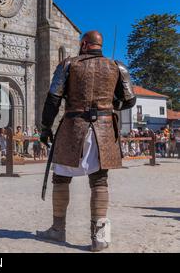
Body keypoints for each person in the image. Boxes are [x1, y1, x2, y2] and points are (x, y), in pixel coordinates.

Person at [36, 31, 136, 252]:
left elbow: (52, 99)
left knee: (61, 178)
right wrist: (111, 106)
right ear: (100, 45)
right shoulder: (117, 66)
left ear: (83, 44)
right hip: (104, 129)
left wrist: (45, 128)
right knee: (99, 181)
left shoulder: (68, 65)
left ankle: (58, 229)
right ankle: (99, 236)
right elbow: (130, 99)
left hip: (73, 126)